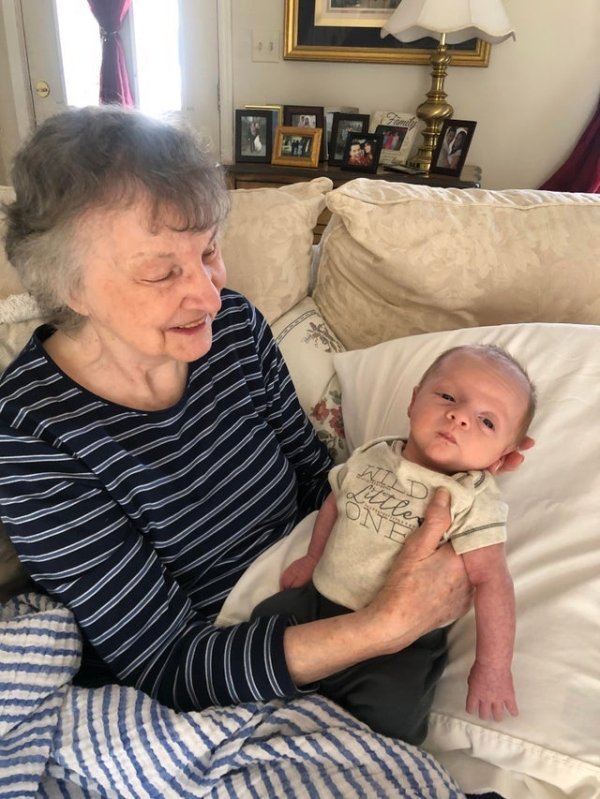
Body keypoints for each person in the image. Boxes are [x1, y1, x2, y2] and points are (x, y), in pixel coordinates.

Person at [0, 105, 525, 721]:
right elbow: (165, 664)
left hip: (313, 593)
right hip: (218, 676)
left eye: (209, 251)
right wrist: (384, 625)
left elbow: (312, 478)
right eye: (161, 272)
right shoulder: (32, 440)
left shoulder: (235, 330)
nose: (206, 292)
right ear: (69, 286)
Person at [252, 344, 536, 743]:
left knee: (394, 717)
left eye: (487, 422)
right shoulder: (373, 453)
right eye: (448, 397)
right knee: (262, 625)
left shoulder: (472, 500)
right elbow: (336, 501)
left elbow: (493, 581)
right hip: (319, 601)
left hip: (405, 644)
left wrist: (492, 666)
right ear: (413, 400)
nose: (459, 417)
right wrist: (312, 557)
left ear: (501, 456)